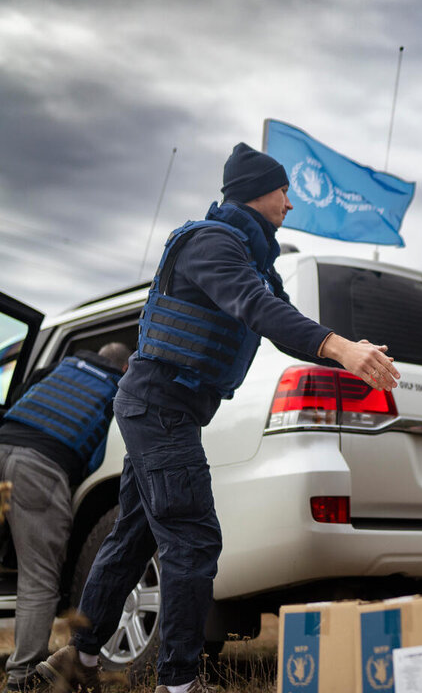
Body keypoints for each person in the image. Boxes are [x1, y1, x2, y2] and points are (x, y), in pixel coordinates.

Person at [37, 143, 400, 693]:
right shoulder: (210, 244)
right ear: (258, 191)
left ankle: (77, 662)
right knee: (193, 540)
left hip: (169, 409)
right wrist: (341, 349)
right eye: (284, 192)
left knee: (133, 538)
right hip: (158, 406)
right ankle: (179, 683)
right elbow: (256, 308)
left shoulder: (253, 256)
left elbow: (285, 319)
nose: (290, 204)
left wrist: (348, 349)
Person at [0, 342, 131, 693]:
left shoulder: (57, 369)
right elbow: (99, 457)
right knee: (38, 579)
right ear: (124, 368)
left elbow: (14, 405)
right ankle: (23, 677)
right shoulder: (118, 390)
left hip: (2, 443)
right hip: (40, 466)